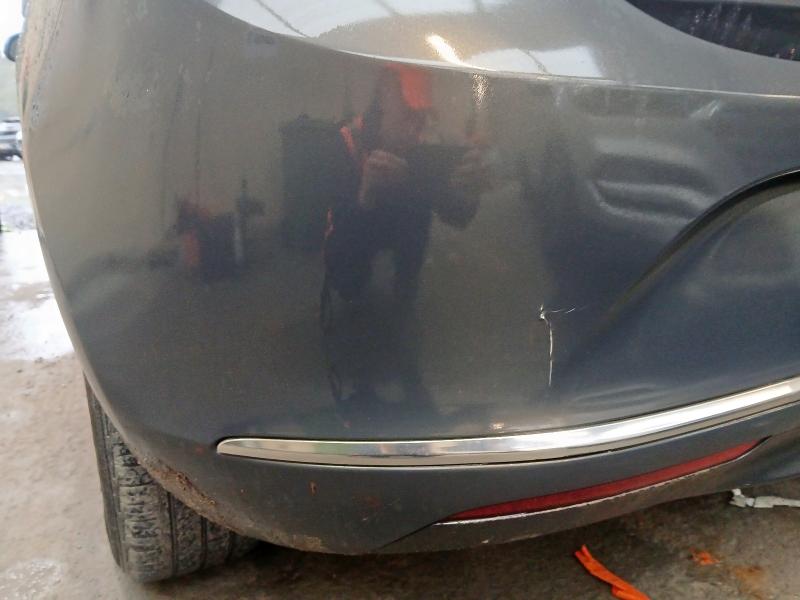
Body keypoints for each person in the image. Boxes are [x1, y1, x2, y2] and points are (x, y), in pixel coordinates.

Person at [322, 64, 487, 313]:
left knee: (416, 210)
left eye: (420, 119)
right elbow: (335, 243)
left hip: (403, 236)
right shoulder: (347, 143)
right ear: (382, 102)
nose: (414, 130)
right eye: (407, 116)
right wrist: (365, 195)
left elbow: (457, 216)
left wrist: (469, 192)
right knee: (348, 286)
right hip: (360, 235)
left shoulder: (421, 150)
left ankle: (405, 289)